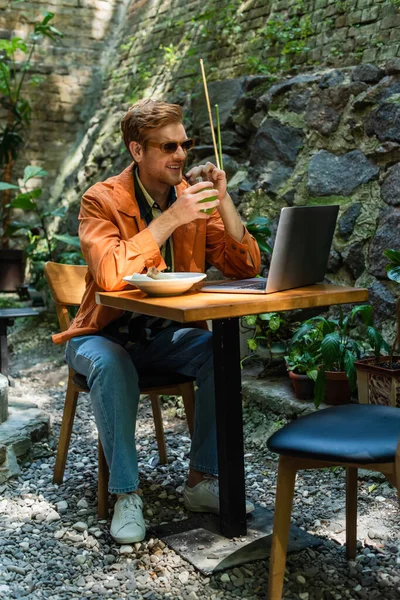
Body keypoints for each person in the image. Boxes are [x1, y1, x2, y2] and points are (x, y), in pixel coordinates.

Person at [53, 99, 261, 544]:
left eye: (184, 145)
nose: (181, 156)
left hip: (164, 337)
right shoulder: (101, 199)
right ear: (136, 150)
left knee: (222, 351)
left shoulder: (190, 198)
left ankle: (202, 480)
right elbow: (109, 273)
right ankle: (127, 494)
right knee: (112, 364)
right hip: (100, 334)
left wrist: (223, 204)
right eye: (167, 147)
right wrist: (172, 218)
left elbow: (244, 267)